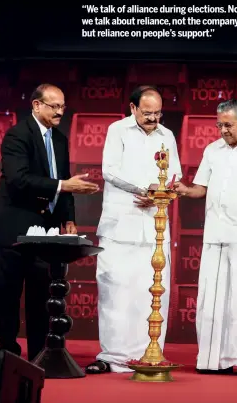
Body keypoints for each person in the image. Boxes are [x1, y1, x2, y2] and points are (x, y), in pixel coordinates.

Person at [173, 99, 237, 376]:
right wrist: (179, 189)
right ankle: (211, 361)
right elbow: (199, 189)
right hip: (214, 235)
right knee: (210, 299)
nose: (223, 130)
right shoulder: (212, 150)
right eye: (219, 125)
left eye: (228, 125)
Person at [0, 83, 99, 361]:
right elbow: (19, 180)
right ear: (36, 105)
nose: (60, 111)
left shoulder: (60, 139)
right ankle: (7, 356)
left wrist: (69, 218)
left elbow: (64, 181)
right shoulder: (17, 136)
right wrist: (63, 186)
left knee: (40, 297)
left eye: (63, 106)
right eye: (54, 106)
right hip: (15, 229)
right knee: (8, 296)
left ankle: (39, 357)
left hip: (47, 231)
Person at [85, 85, 182, 374]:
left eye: (158, 113)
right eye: (148, 113)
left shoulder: (168, 136)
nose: (154, 119)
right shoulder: (118, 130)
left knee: (150, 292)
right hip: (120, 225)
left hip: (155, 226)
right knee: (115, 291)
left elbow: (174, 172)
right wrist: (143, 188)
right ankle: (111, 357)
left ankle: (147, 353)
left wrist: (161, 190)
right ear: (132, 108)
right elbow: (110, 170)